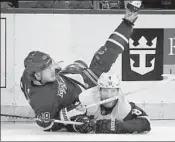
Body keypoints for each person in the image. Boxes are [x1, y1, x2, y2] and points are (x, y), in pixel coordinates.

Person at [20, 1, 142, 131]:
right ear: (37, 75)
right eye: (48, 68)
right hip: (83, 96)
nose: (53, 69)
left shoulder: (30, 77)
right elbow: (51, 124)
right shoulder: (43, 102)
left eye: (51, 64)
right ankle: (127, 24)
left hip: (76, 77)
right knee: (104, 58)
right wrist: (66, 116)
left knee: (98, 59)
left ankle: (127, 23)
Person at [70, 72, 151, 134]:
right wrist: (77, 124)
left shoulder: (124, 106)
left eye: (113, 91)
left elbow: (145, 122)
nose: (109, 96)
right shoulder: (86, 99)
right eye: (105, 90)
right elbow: (65, 119)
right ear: (99, 90)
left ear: (118, 91)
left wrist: (116, 126)